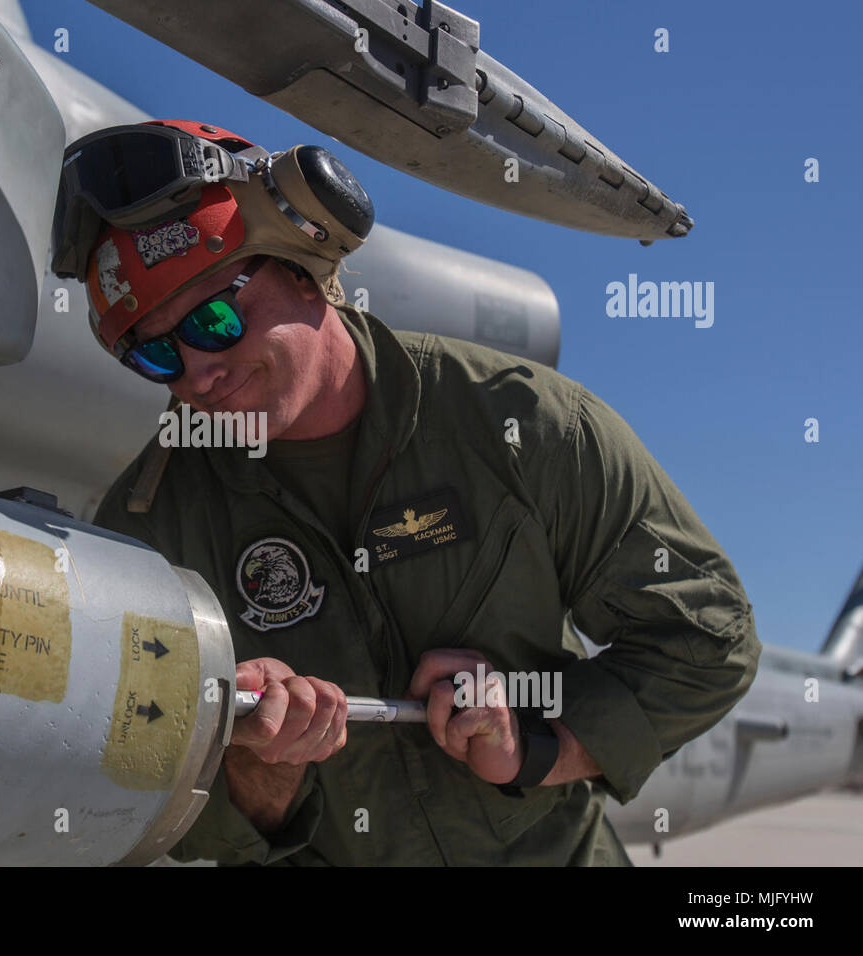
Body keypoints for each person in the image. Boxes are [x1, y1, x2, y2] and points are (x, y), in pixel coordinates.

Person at [52, 119, 761, 865]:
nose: (197, 375)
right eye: (157, 353)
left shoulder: (519, 425)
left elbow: (707, 637)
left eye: (216, 320)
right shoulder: (151, 528)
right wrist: (262, 770)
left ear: (302, 262)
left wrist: (536, 744)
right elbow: (136, 796)